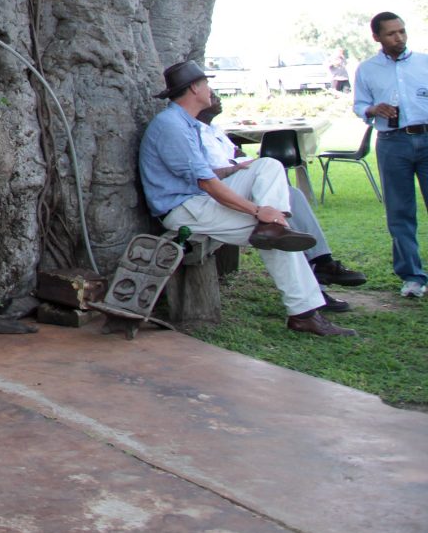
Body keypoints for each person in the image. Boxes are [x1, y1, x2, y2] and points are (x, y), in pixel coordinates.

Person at [138, 61, 353, 337]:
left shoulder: (184, 123)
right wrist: (257, 210)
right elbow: (207, 184)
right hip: (183, 209)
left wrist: (236, 174)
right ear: (194, 88)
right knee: (275, 236)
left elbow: (203, 174)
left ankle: (274, 230)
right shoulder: (171, 125)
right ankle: (303, 313)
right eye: (206, 84)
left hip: (198, 200)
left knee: (268, 166)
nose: (210, 89)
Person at [195, 95, 364, 294]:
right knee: (281, 216)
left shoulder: (215, 130)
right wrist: (235, 169)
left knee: (290, 200)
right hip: (220, 194)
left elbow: (235, 154)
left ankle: (319, 271)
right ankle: (318, 275)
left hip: (242, 184)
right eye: (211, 95)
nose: (217, 98)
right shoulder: (193, 133)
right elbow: (202, 176)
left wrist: (243, 162)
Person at [351, 12, 428, 298]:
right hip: (393, 143)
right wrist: (373, 109)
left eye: (402, 31)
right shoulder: (367, 69)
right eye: (392, 34)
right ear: (377, 37)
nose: (399, 37)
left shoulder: (424, 62)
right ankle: (413, 277)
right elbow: (360, 105)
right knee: (400, 211)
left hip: (427, 136)